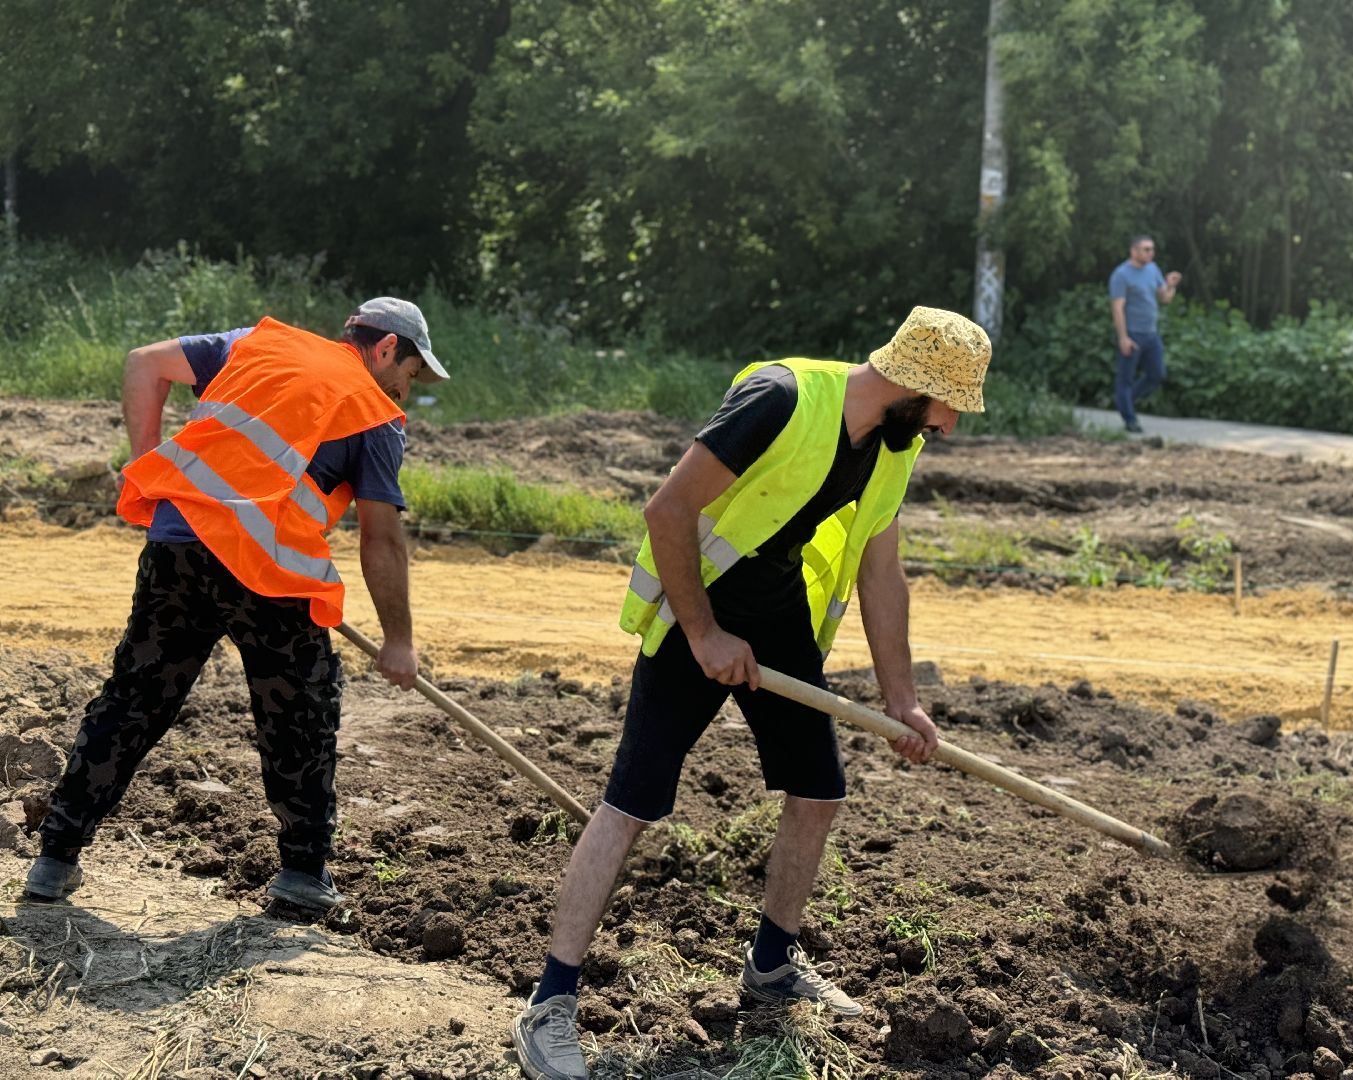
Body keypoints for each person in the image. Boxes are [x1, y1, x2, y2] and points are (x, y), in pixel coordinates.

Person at [510, 306, 992, 1080]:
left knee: (818, 791)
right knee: (631, 805)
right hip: (690, 608)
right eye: (947, 408)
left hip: (776, 615)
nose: (949, 426)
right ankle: (550, 1002)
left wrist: (902, 700)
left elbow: (880, 573)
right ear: (911, 385)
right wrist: (703, 635)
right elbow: (668, 510)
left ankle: (770, 967)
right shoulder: (781, 398)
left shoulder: (895, 447)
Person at [24, 298, 449, 911]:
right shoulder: (373, 413)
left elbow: (145, 364)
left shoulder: (257, 342)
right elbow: (381, 538)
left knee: (133, 700)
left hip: (178, 548)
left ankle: (54, 859)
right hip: (266, 575)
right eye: (409, 373)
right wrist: (399, 641)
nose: (405, 390)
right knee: (298, 714)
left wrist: (143, 461)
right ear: (385, 349)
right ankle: (302, 878)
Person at [1109, 234, 1181, 434]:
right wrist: (1123, 337)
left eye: (1152, 249)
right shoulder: (1121, 275)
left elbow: (1165, 298)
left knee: (1157, 374)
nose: (1150, 253)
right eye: (1146, 249)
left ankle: (1125, 401)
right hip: (1132, 333)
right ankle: (1130, 419)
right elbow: (1117, 308)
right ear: (1134, 251)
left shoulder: (1153, 269)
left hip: (1151, 333)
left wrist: (1171, 285)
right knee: (1125, 378)